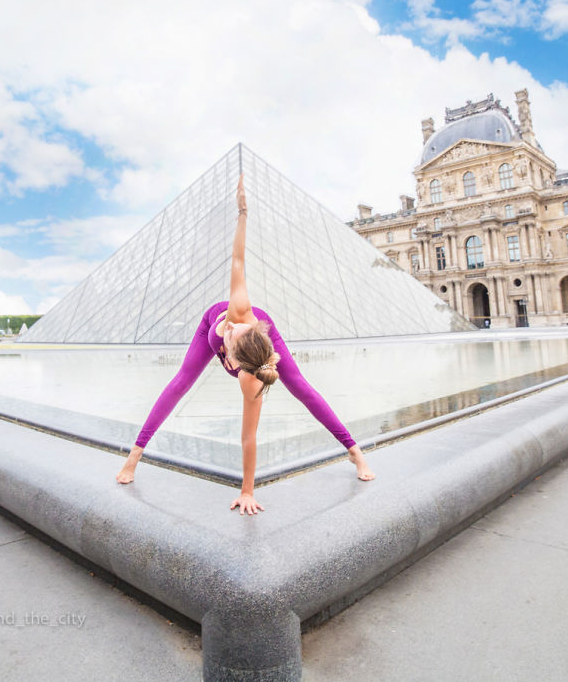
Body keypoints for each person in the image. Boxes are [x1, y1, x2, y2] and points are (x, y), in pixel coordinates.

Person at [115, 174, 375, 513]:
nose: (232, 325)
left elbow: (248, 437)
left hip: (260, 348)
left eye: (233, 332)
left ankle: (354, 452)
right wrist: (242, 213)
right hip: (217, 323)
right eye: (236, 327)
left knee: (302, 388)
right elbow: (238, 258)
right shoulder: (237, 311)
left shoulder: (249, 378)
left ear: (232, 360)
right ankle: (135, 455)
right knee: (180, 382)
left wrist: (247, 492)